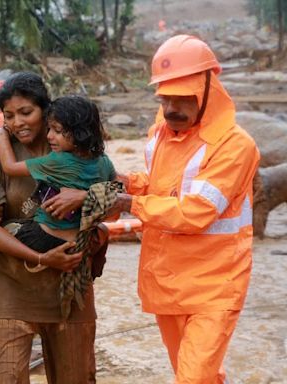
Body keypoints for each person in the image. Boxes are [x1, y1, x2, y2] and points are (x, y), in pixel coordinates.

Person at [109, 35, 260, 383]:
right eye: (166, 99)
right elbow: (162, 186)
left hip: (215, 286)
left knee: (192, 379)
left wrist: (130, 203)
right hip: (167, 279)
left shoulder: (235, 146)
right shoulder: (160, 132)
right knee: (196, 375)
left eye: (183, 99)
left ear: (208, 90)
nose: (172, 108)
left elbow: (197, 211)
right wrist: (125, 181)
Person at [0, 72, 104, 383]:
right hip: (13, 287)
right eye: (9, 116)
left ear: (46, 109)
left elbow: (117, 202)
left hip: (71, 290)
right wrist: (40, 257)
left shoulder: (81, 151)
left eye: (26, 113)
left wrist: (84, 196)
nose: (17, 123)